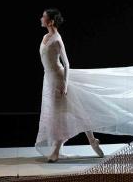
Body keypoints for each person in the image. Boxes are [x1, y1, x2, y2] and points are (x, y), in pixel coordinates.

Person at [36, 8, 106, 162]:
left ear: (51, 21)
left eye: (44, 17)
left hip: (59, 80)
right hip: (49, 80)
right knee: (75, 112)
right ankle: (92, 140)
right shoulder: (45, 37)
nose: (41, 18)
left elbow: (67, 64)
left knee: (61, 115)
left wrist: (65, 85)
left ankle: (56, 150)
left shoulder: (57, 40)